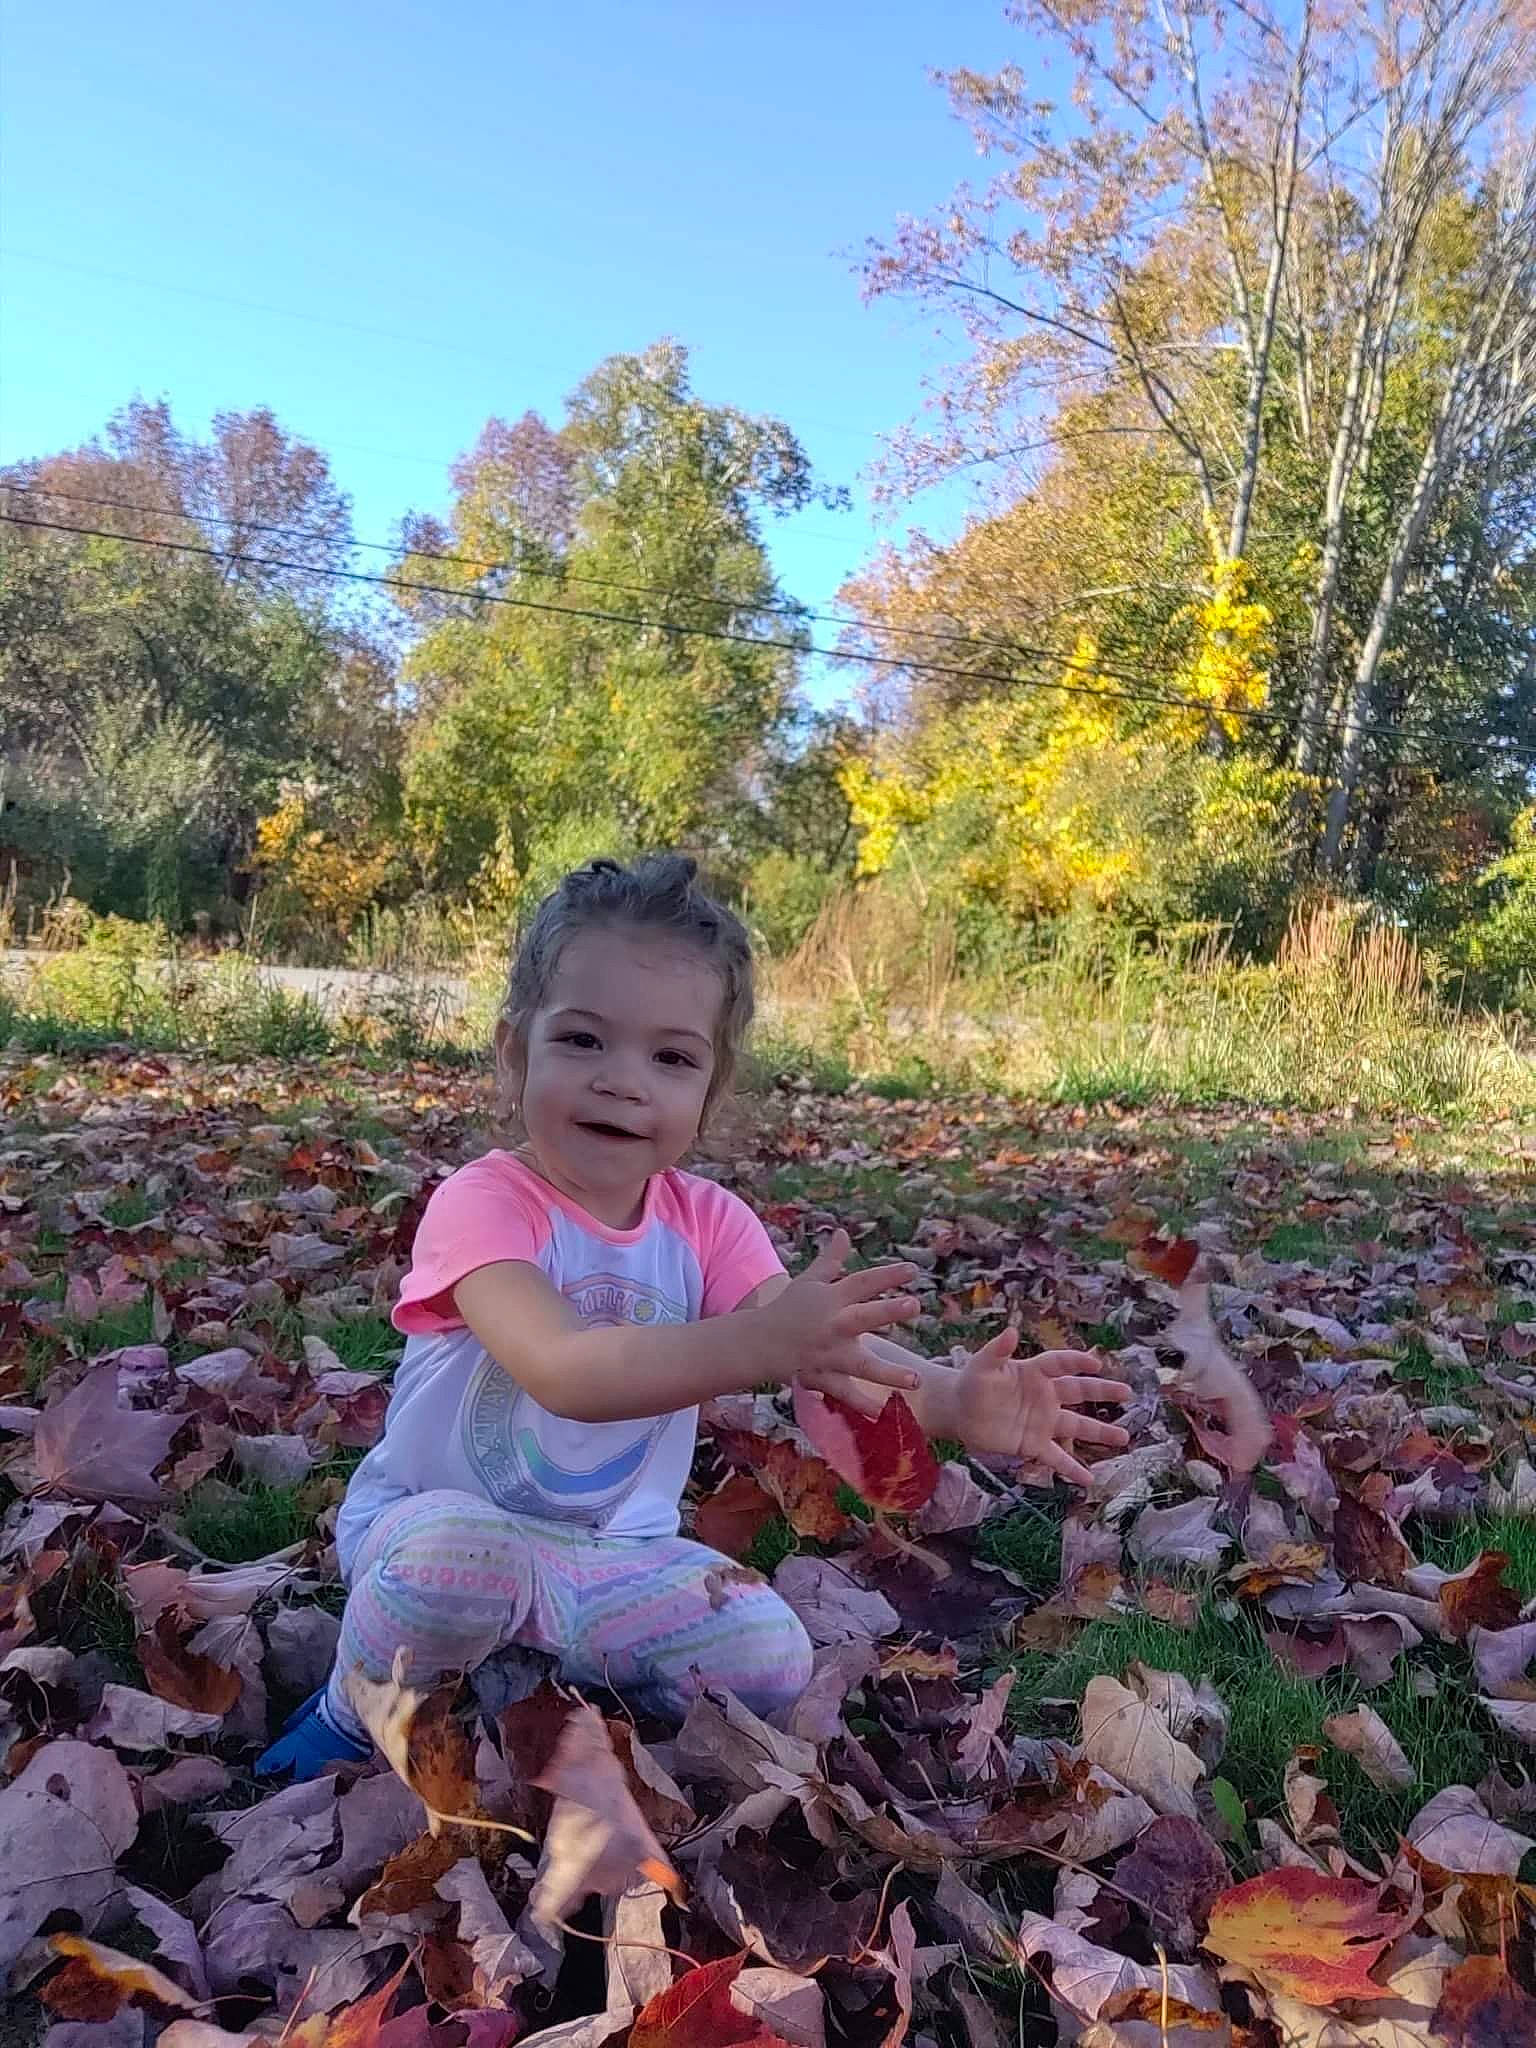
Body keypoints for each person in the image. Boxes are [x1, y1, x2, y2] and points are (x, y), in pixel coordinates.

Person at [257, 854, 1134, 1779]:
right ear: (518, 1051)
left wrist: (955, 1399)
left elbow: (824, 1355)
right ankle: (358, 1715)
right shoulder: (486, 1202)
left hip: (606, 1562)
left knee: (769, 1653)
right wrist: (752, 1344)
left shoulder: (710, 1224)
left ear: (707, 1095)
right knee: (452, 1566)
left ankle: (543, 1680)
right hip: (435, 1529)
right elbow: (566, 1369)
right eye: (584, 1042)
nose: (624, 1082)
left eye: (671, 1058)